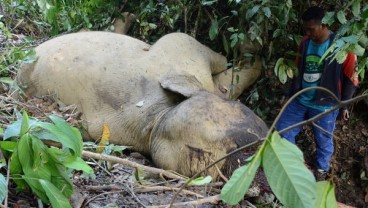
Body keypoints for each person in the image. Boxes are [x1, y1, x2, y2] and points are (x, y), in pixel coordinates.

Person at [275, 6, 359, 181]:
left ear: (323, 25)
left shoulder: (340, 46)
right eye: (305, 29)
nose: (308, 32)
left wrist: (344, 104)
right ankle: (294, 165)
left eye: (311, 29)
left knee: (323, 140)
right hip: (301, 98)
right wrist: (290, 95)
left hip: (326, 103)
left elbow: (352, 77)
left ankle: (321, 171)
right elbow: (298, 69)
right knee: (283, 129)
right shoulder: (305, 43)